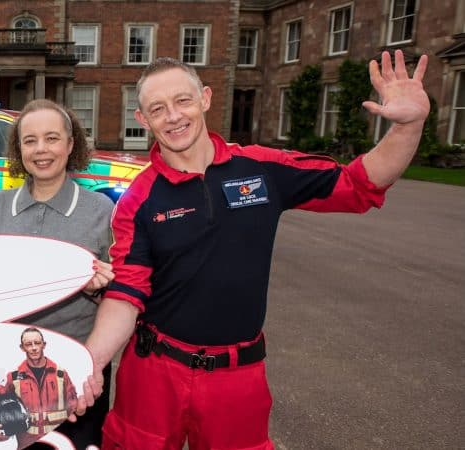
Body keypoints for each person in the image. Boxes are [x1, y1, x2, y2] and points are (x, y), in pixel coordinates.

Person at [76, 51, 430, 449]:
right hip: (155, 372)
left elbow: (358, 183)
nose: (173, 116)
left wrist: (408, 126)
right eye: (157, 109)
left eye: (183, 100)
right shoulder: (138, 199)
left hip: (237, 376)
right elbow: (126, 294)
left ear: (205, 98)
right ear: (142, 119)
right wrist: (88, 362)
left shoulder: (260, 168)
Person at [0, 98, 114, 449]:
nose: (41, 149)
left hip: (79, 369)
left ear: (71, 146)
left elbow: (119, 296)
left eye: (52, 138)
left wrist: (101, 285)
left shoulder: (101, 210)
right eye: (30, 140)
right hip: (9, 370)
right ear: (18, 149)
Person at [0, 328, 78, 449]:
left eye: (37, 343)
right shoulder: (13, 377)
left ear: (44, 345)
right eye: (28, 344)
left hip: (58, 442)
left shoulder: (61, 374)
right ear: (22, 348)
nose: (34, 347)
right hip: (27, 444)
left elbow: (74, 406)